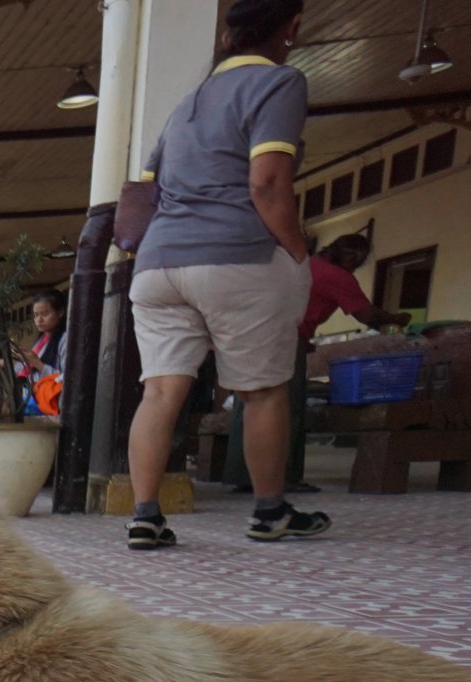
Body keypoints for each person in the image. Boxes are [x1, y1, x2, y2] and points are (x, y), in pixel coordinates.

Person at [124, 0, 321, 550]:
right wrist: (298, 253)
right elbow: (267, 184)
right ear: (293, 26)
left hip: (158, 265)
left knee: (161, 391)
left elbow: (146, 187)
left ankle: (145, 516)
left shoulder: (189, 102)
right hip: (237, 255)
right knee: (261, 391)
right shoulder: (279, 82)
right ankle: (269, 511)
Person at [227, 231, 413, 493]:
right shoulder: (336, 276)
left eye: (357, 258)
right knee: (286, 407)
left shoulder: (309, 264)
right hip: (286, 339)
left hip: (253, 335)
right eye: (352, 256)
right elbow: (366, 314)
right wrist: (396, 318)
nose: (353, 261)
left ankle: (243, 476)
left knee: (250, 402)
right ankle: (282, 478)